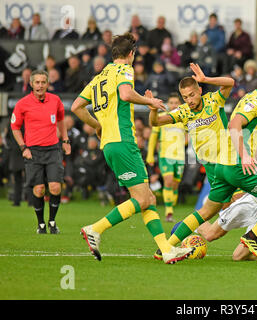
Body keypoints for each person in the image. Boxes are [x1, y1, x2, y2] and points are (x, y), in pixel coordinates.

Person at [70, 32, 192, 264]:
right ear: (131, 54)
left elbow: (76, 106)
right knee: (143, 199)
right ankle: (95, 229)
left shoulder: (99, 77)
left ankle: (166, 249)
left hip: (111, 143)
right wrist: (150, 102)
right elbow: (126, 93)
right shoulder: (124, 70)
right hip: (123, 141)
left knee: (148, 198)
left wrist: (97, 126)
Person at [165, 66, 257, 263]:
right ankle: (254, 238)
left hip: (224, 163)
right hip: (231, 163)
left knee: (215, 210)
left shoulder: (255, 98)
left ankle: (167, 246)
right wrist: (245, 157)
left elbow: (248, 134)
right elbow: (234, 124)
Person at [148, 62, 234, 260]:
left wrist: (206, 79)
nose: (189, 100)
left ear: (200, 91)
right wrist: (153, 108)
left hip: (229, 160)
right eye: (185, 97)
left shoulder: (214, 100)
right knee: (231, 206)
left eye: (192, 95)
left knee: (233, 205)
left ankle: (175, 237)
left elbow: (230, 83)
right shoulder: (183, 112)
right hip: (213, 168)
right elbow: (155, 122)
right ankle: (176, 238)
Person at [10, 70, 71, 234]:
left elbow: (60, 121)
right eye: (37, 82)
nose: (40, 85)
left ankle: (52, 222)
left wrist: (65, 140)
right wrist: (24, 147)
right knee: (39, 190)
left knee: (55, 187)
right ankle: (41, 224)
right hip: (33, 151)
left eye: (43, 82)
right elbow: (15, 127)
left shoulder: (56, 100)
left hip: (53, 149)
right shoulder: (22, 103)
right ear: (31, 84)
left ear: (47, 84)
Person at [147, 93, 186, 222]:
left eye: (176, 102)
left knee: (175, 185)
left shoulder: (184, 119)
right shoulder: (161, 117)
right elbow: (153, 137)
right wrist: (150, 155)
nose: (174, 105)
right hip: (165, 155)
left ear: (180, 105)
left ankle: (171, 206)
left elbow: (188, 138)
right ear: (167, 104)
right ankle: (169, 212)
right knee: (168, 181)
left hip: (180, 156)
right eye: (171, 102)